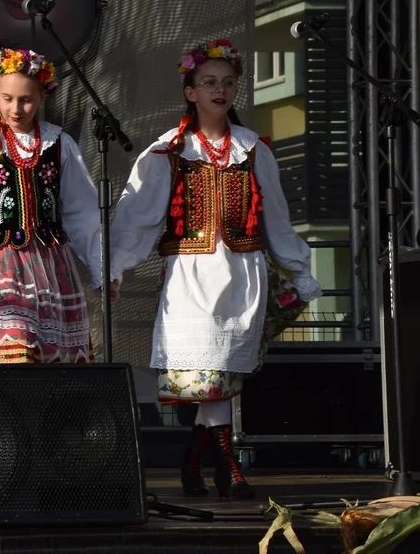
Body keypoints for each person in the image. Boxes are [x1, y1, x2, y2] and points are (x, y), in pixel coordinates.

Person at [108, 39, 322, 499]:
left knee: (221, 375)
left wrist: (298, 267)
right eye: (209, 83)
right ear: (190, 91)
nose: (219, 90)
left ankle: (195, 461)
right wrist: (117, 266)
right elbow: (139, 214)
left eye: (227, 83)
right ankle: (228, 466)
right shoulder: (170, 150)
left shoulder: (251, 150)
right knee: (208, 376)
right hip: (191, 277)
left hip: (242, 273)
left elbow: (276, 218)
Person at [0, 48, 101, 364]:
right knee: (11, 348)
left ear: (42, 96)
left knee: (46, 356)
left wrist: (100, 267)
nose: (16, 108)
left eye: (26, 99)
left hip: (48, 264)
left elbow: (81, 210)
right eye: (8, 98)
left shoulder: (58, 143)